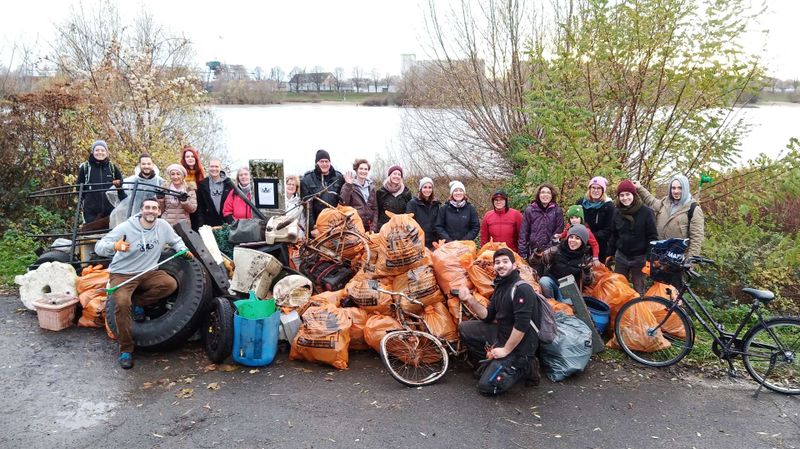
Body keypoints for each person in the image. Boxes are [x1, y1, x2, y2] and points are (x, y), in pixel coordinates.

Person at [95, 197, 191, 369]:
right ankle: (126, 349)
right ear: (141, 209)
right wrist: (115, 246)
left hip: (148, 272)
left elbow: (176, 240)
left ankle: (139, 302)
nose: (151, 211)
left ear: (159, 212)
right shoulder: (126, 227)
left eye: (154, 208)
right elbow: (99, 246)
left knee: (169, 284)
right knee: (122, 304)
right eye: (147, 207)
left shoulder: (163, 226)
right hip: (122, 274)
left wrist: (182, 249)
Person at [457, 248, 541, 394]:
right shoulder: (500, 286)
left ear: (514, 265)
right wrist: (470, 299)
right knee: (465, 328)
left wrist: (505, 350)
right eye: (497, 262)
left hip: (521, 345)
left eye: (505, 261)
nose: (500, 265)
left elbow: (522, 325)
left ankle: (527, 366)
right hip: (502, 334)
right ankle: (491, 363)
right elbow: (488, 316)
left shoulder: (522, 289)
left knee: (486, 387)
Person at [634, 175, 705, 258]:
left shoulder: (693, 209)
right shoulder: (665, 202)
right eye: (673, 188)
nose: (676, 191)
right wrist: (639, 188)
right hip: (658, 257)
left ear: (685, 188)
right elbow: (651, 201)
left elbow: (696, 240)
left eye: (680, 188)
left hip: (677, 261)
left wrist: (689, 263)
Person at [608, 180, 658, 293]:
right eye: (622, 195)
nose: (625, 198)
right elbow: (614, 235)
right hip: (621, 256)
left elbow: (652, 237)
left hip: (639, 258)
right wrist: (609, 254)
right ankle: (620, 310)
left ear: (634, 195)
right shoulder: (617, 212)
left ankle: (638, 310)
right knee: (618, 289)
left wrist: (650, 259)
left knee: (639, 290)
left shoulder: (646, 212)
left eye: (628, 194)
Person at [532, 224, 594, 302]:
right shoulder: (556, 250)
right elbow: (535, 262)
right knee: (544, 281)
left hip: (570, 288)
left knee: (566, 307)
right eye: (571, 237)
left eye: (577, 238)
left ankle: (559, 305)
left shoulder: (585, 259)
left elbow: (588, 282)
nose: (573, 240)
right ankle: (551, 303)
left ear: (583, 242)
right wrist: (537, 255)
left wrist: (587, 271)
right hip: (553, 281)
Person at [77, 140, 125, 224]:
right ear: (93, 152)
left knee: (111, 235)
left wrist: (122, 201)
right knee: (91, 235)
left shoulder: (112, 167)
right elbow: (79, 188)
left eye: (102, 150)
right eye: (97, 150)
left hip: (110, 210)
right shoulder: (85, 167)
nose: (100, 152)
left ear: (106, 152)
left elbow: (121, 185)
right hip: (91, 212)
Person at [300, 149, 345, 234]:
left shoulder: (338, 177)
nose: (324, 164)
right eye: (321, 161)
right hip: (317, 225)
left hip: (336, 224)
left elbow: (343, 201)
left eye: (326, 161)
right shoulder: (307, 179)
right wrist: (312, 228)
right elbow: (307, 207)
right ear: (316, 163)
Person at [518, 183, 564, 263]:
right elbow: (524, 233)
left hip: (551, 251)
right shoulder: (530, 210)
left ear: (552, 195)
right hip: (533, 251)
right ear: (538, 195)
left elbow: (558, 231)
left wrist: (549, 249)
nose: (545, 195)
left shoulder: (557, 210)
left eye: (548, 192)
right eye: (542, 192)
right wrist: (523, 254)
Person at [576, 176, 615, 263]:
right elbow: (574, 221)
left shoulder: (608, 206)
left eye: (599, 188)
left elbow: (609, 230)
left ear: (603, 190)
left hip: (600, 246)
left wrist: (590, 236)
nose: (595, 190)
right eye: (593, 187)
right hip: (580, 243)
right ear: (589, 189)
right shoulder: (580, 203)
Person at [339, 159, 378, 231]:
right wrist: (348, 185)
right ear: (356, 170)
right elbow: (343, 204)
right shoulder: (349, 185)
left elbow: (375, 209)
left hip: (369, 226)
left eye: (366, 169)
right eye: (361, 168)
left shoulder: (371, 187)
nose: (363, 171)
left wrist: (374, 227)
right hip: (354, 226)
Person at [196, 158, 234, 228]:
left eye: (216, 166)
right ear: (208, 168)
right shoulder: (203, 184)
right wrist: (201, 226)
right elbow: (200, 208)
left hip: (227, 223)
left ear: (220, 168)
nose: (214, 169)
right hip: (209, 224)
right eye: (212, 166)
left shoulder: (228, 183)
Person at [405, 177, 441, 248]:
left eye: (430, 187)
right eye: (425, 187)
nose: (427, 190)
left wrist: (437, 240)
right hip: (418, 242)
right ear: (420, 189)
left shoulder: (436, 204)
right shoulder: (412, 204)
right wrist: (416, 242)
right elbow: (408, 224)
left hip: (433, 243)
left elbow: (438, 224)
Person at [375, 164, 412, 231]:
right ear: (390, 175)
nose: (397, 176)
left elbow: (409, 213)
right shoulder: (380, 192)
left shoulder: (406, 192)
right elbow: (376, 212)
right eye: (394, 173)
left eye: (399, 174)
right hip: (384, 229)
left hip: (401, 230)